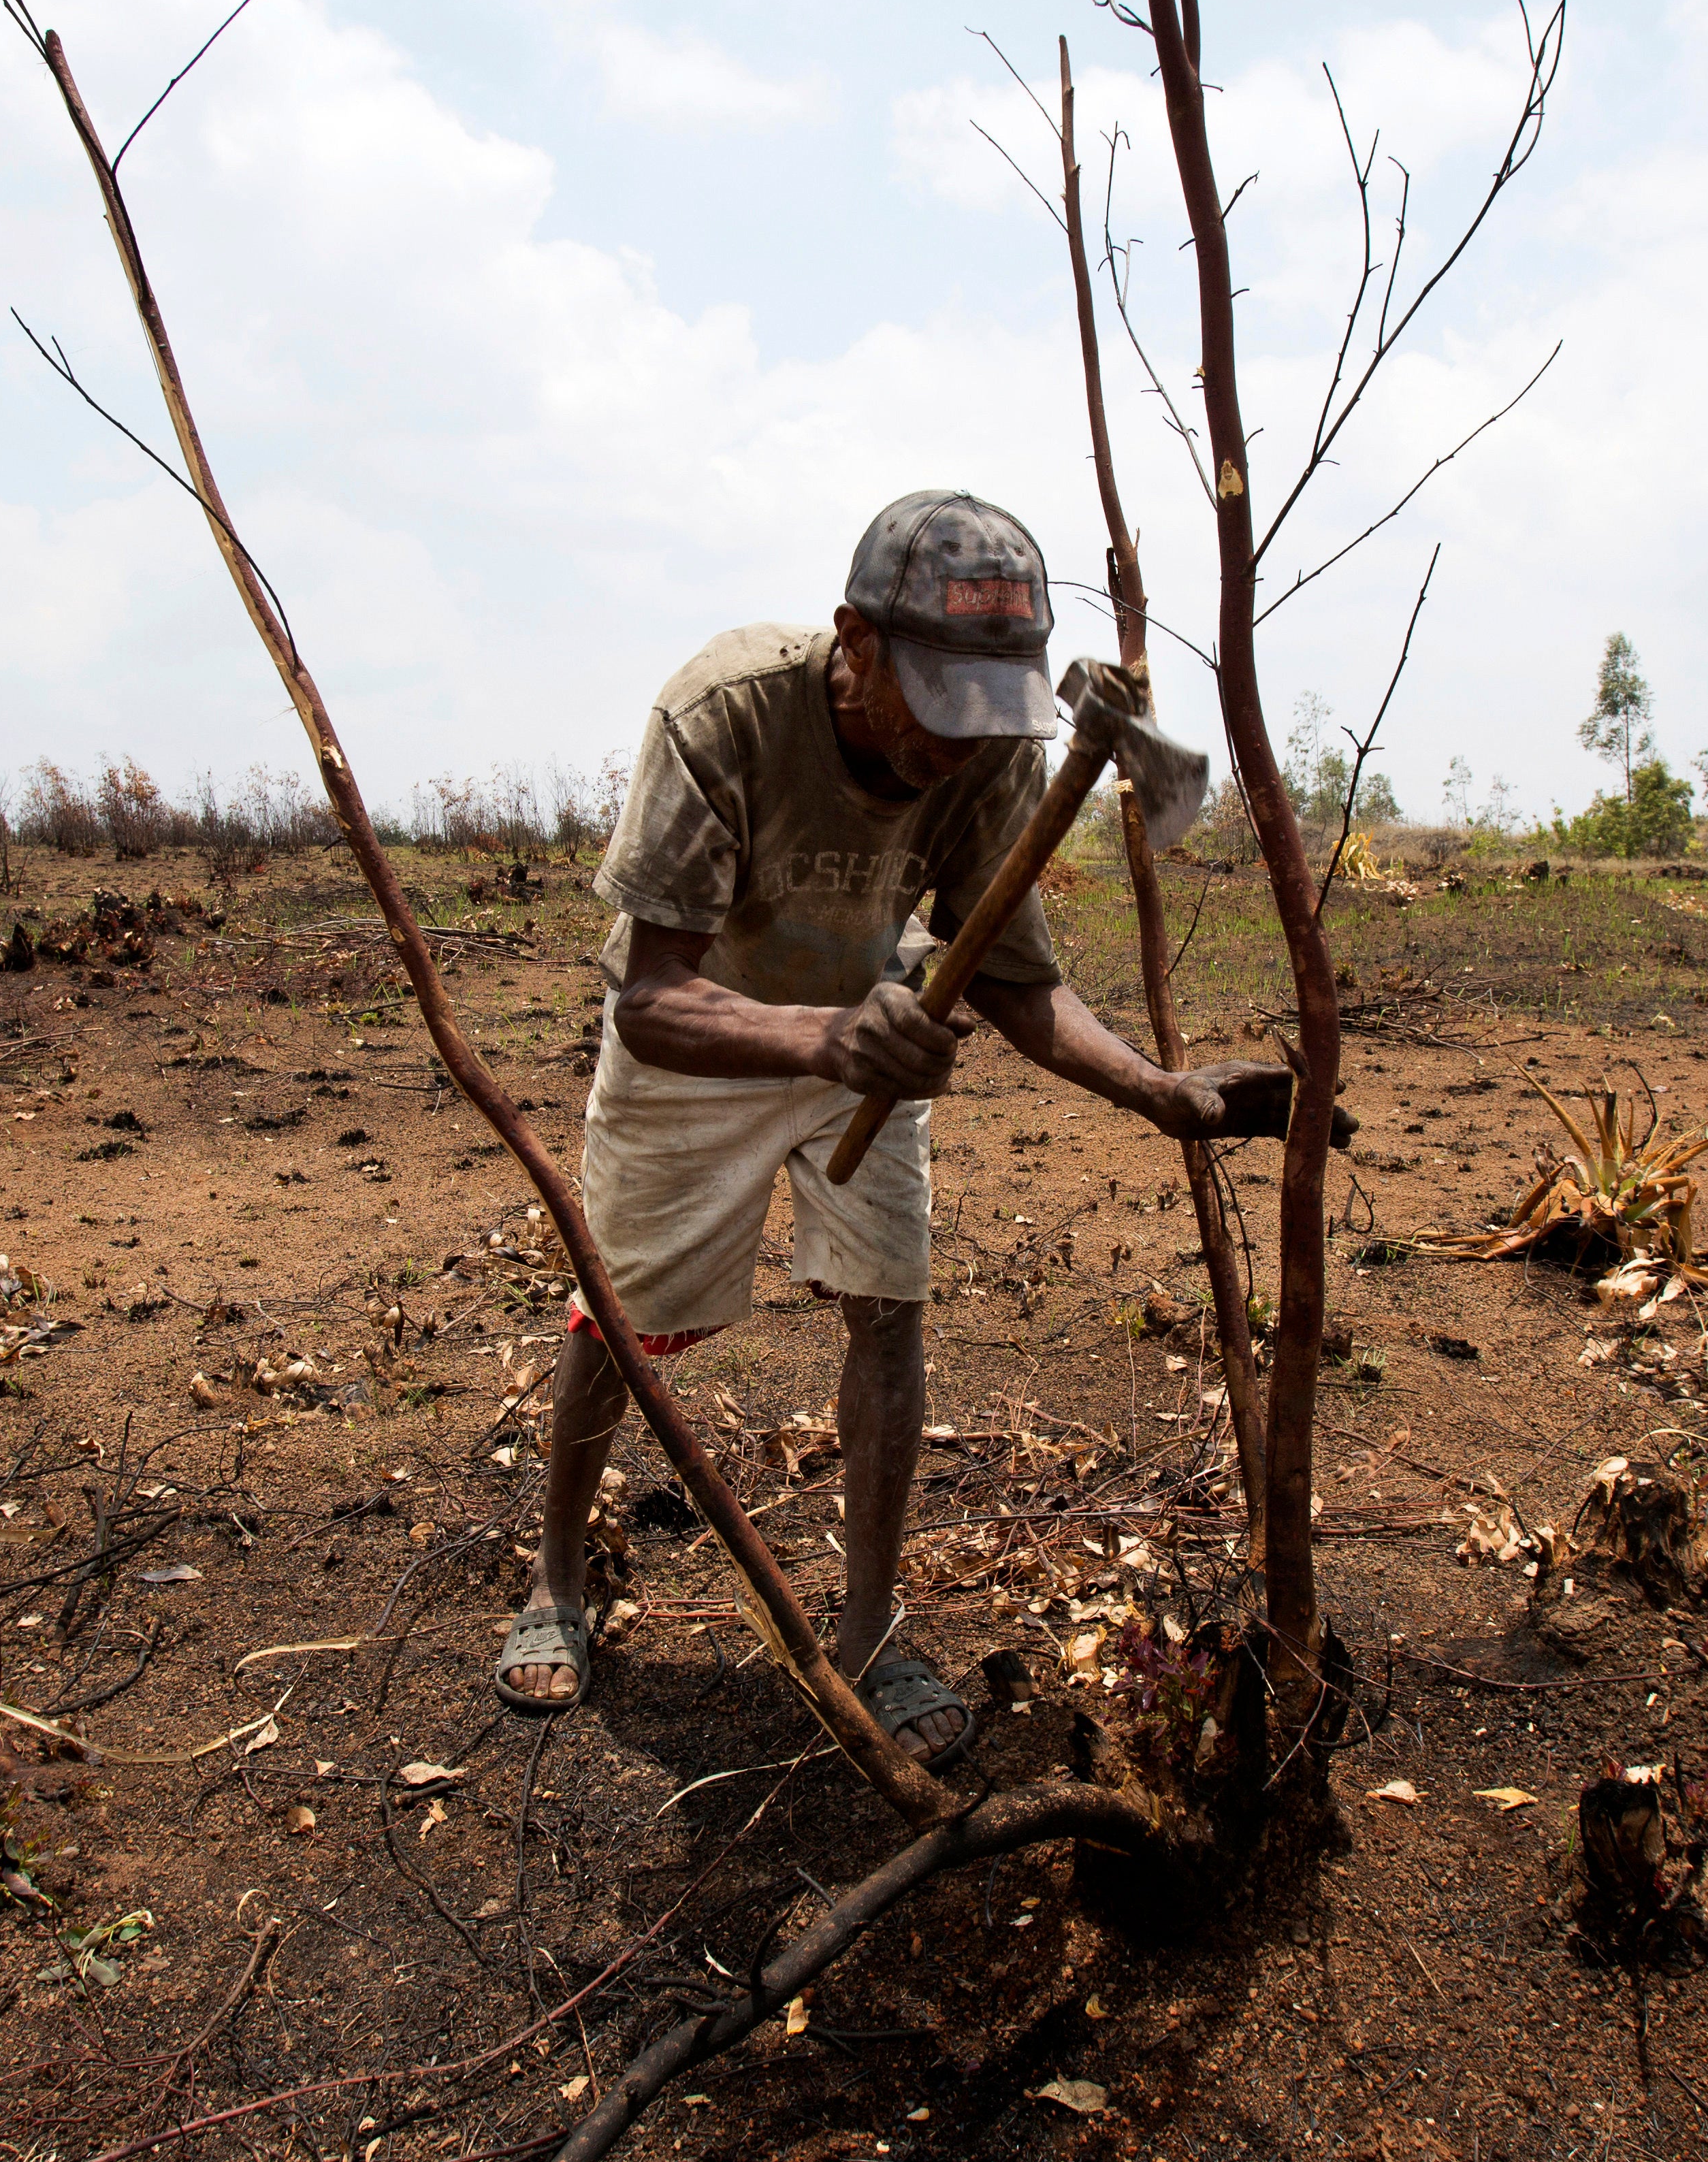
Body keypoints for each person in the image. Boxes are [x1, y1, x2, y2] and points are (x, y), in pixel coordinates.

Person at [496, 489, 1296, 1761]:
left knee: (890, 1306)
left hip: (877, 1025)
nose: (957, 745)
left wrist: (1165, 1096)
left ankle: (867, 1627)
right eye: (935, 703)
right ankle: (556, 1578)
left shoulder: (985, 752)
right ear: (853, 643)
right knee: (625, 1306)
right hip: (706, 1030)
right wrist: (820, 1036)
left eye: (988, 713)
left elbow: (1016, 984)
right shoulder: (725, 713)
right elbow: (649, 998)